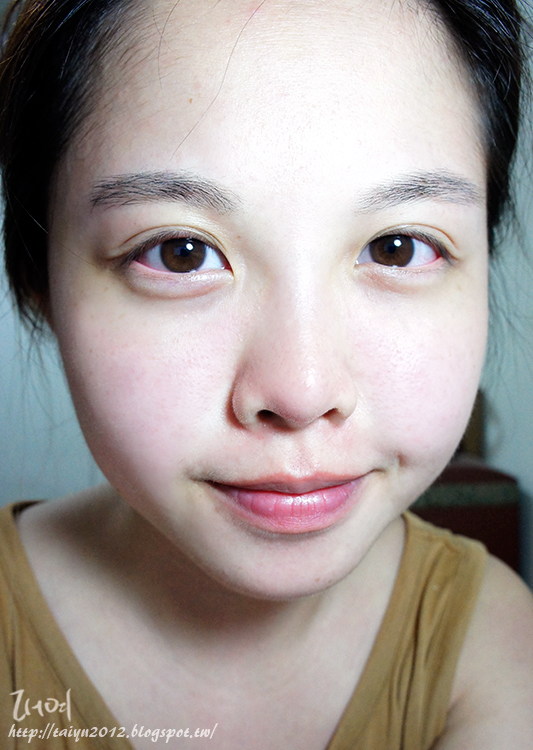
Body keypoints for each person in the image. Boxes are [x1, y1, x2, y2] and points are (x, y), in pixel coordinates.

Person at [0, 0, 532, 746]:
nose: (302, 392)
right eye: (180, 252)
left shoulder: (492, 648)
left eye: (398, 247)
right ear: (40, 282)